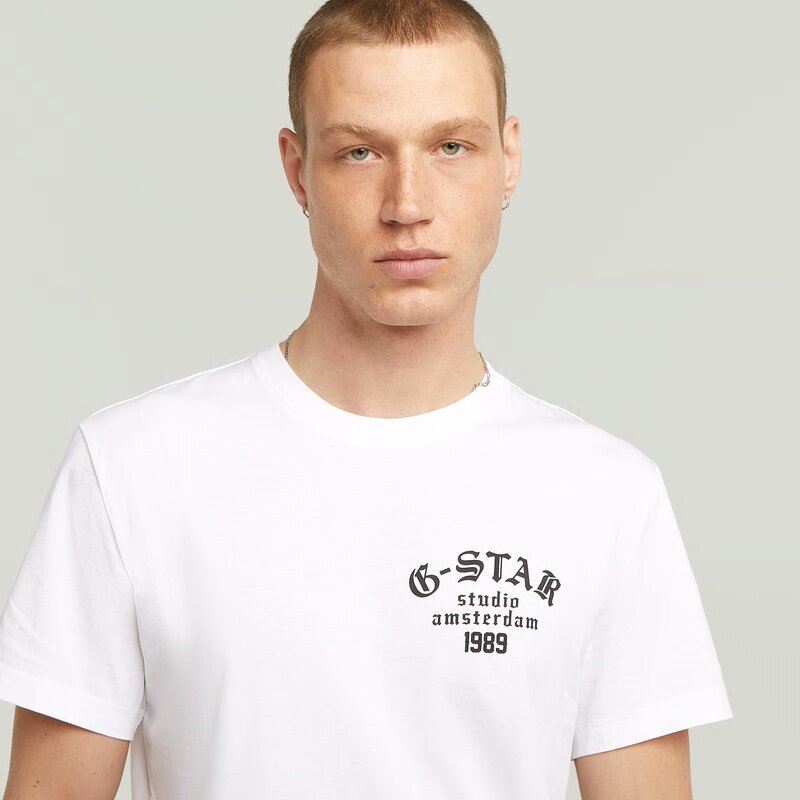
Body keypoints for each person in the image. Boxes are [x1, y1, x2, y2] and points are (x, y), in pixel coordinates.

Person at [0, 1, 733, 798]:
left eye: (451, 147)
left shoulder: (607, 495)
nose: (407, 204)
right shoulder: (130, 469)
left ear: (509, 158)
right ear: (297, 170)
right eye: (359, 152)